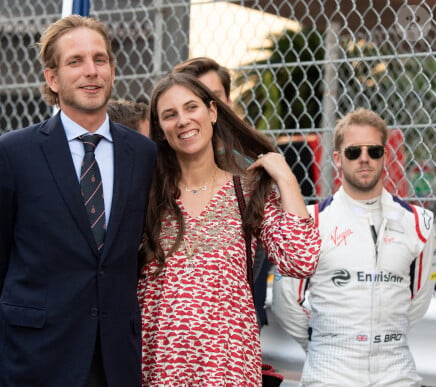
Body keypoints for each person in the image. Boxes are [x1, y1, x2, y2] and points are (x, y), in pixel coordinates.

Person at [0, 15, 157, 386]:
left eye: (99, 60)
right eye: (76, 61)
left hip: (115, 361)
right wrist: (18, 328)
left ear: (113, 70)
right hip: (31, 359)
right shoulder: (13, 153)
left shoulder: (143, 153)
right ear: (52, 78)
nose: (91, 71)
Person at [138, 72, 321, 385]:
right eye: (170, 115)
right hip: (160, 371)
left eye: (191, 108)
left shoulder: (247, 192)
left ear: (212, 112)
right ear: (160, 129)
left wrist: (286, 177)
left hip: (228, 369)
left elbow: (301, 259)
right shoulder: (146, 195)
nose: (182, 120)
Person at [271, 108, 436, 386]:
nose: (364, 159)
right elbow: (286, 302)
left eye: (374, 151)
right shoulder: (309, 221)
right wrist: (329, 342)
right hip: (329, 373)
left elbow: (418, 300)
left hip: (397, 373)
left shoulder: (420, 222)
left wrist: (381, 334)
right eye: (353, 152)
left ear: (385, 155)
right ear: (337, 158)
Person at [173, 56, 272, 328]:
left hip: (235, 324)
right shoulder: (161, 171)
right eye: (194, 100)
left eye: (211, 97)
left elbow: (257, 255)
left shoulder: (250, 171)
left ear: (224, 104)